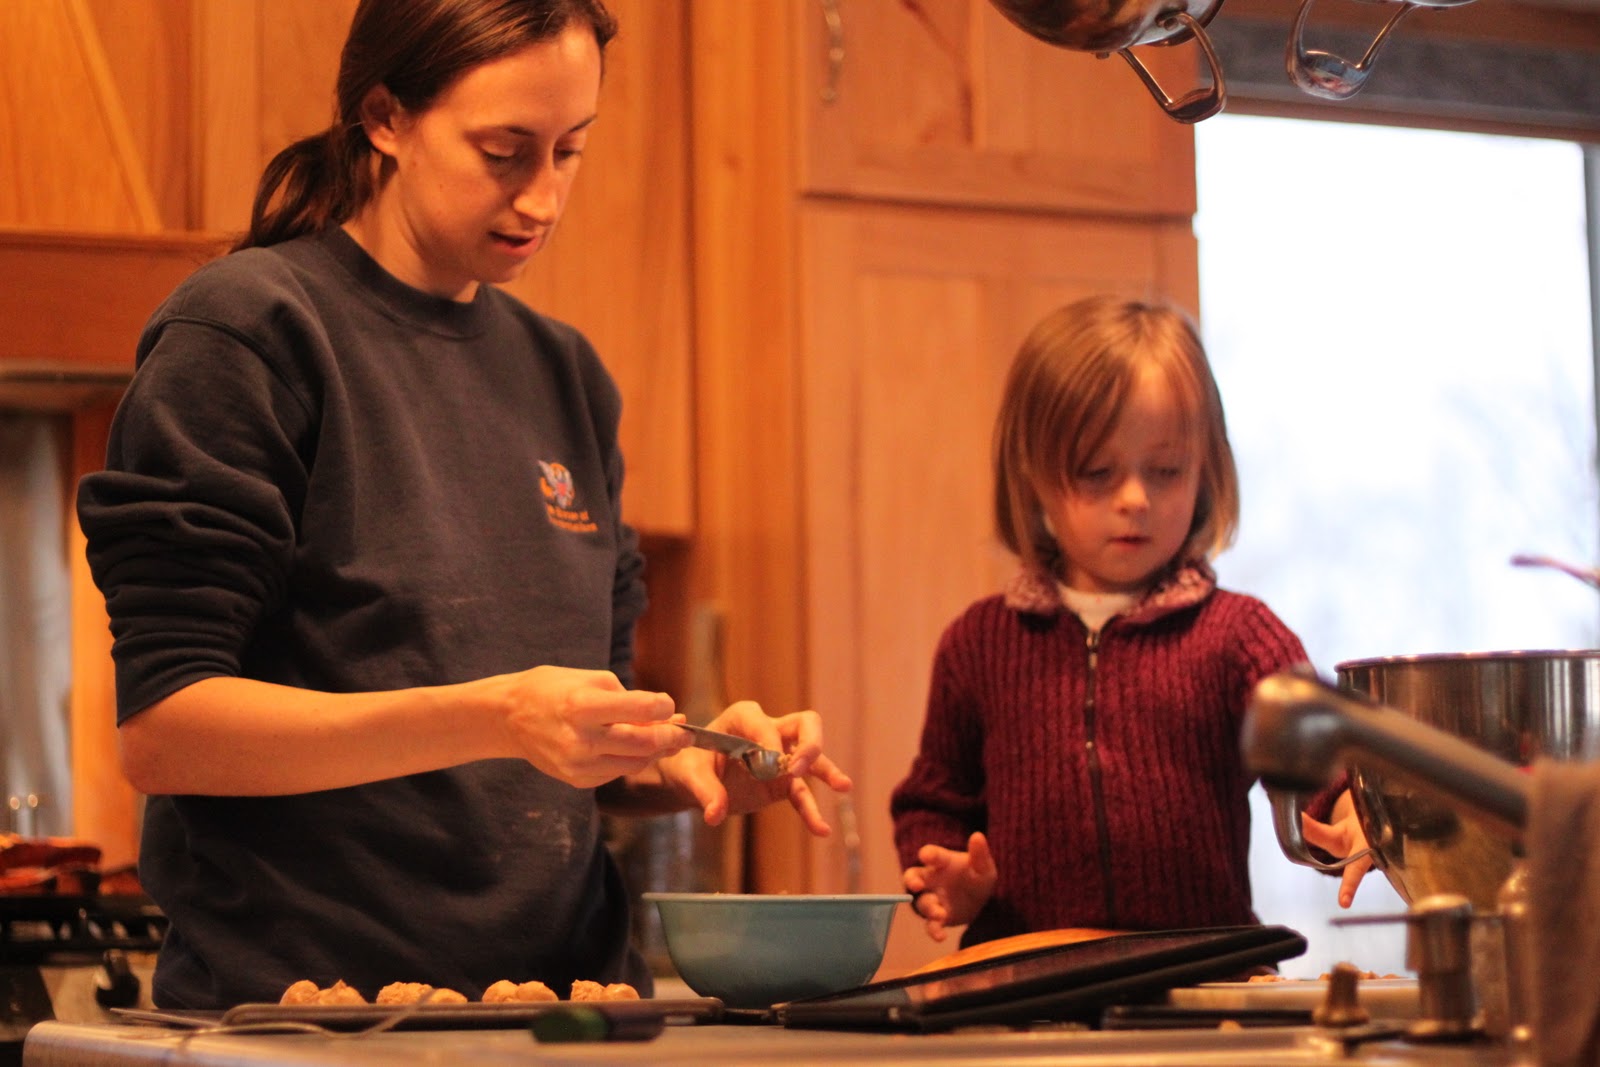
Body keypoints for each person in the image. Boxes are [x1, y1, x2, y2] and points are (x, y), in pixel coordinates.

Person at [76, 0, 850, 1009]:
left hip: (564, 1013)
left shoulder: (566, 373)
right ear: (386, 117)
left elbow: (568, 739)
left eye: (569, 151)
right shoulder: (253, 334)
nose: (542, 197)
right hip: (310, 1016)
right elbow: (166, 729)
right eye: (503, 151)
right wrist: (493, 714)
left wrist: (691, 756)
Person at [891, 294, 1333, 948]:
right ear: (1035, 477)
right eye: (1097, 472)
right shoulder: (977, 646)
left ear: (1207, 472)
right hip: (1022, 991)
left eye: (1166, 470)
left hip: (1204, 987)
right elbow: (934, 801)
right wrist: (949, 874)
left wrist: (1350, 815)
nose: (1134, 499)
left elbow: (1323, 761)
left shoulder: (1241, 636)